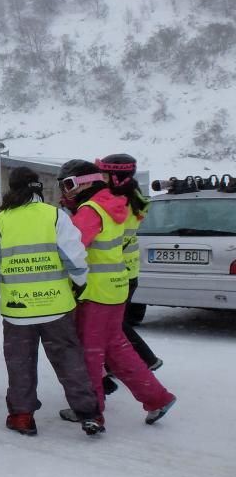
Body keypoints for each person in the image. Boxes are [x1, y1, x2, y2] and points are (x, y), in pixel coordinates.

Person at [0, 167, 103, 436]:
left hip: (17, 311)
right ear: (38, 188)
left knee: (20, 364)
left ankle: (22, 416)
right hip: (57, 307)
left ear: (12, 188)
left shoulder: (0, 221)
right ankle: (89, 414)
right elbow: (75, 258)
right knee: (69, 361)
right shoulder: (55, 216)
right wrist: (80, 284)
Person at [56, 160, 176, 428]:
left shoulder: (89, 211)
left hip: (95, 293)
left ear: (86, 181)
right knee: (117, 349)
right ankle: (157, 397)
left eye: (69, 184)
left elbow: (72, 250)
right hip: (116, 287)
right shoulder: (111, 202)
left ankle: (91, 411)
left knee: (90, 353)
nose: (67, 191)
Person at [95, 154, 163, 370]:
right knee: (115, 323)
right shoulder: (133, 195)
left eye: (104, 174)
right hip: (128, 268)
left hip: (117, 268)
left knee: (114, 325)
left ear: (116, 177)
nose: (101, 178)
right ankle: (119, 363)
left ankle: (146, 360)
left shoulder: (117, 202)